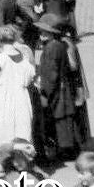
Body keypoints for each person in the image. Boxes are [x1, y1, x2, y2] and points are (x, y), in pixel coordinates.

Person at [33, 14, 85, 163]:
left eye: (45, 31)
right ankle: (69, 149)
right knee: (64, 121)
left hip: (56, 90)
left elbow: (51, 74)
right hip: (62, 88)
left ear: (53, 33)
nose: (42, 34)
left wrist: (44, 91)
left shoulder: (51, 48)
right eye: (41, 31)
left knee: (58, 120)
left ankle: (65, 151)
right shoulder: (59, 44)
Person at [0, 26, 35, 156]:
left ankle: (4, 154)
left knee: (2, 125)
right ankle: (20, 153)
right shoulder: (24, 56)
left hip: (3, 95)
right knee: (21, 125)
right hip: (22, 95)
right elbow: (30, 76)